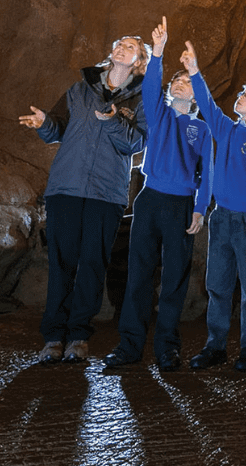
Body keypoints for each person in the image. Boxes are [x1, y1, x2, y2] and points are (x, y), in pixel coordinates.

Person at [20, 35, 149, 364]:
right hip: (66, 187)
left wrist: (112, 121)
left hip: (106, 194)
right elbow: (57, 129)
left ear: (139, 62)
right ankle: (53, 337)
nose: (121, 46)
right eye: (119, 42)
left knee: (92, 264)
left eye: (130, 46)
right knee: (61, 264)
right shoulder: (79, 91)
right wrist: (43, 123)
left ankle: (78, 335)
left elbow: (135, 143)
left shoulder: (145, 98)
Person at [103, 17, 212, 373]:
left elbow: (206, 172)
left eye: (186, 81)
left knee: (175, 277)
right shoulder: (160, 115)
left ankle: (167, 347)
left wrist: (199, 209)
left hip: (181, 204)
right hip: (149, 200)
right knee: (139, 273)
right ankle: (130, 345)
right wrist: (160, 52)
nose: (178, 84)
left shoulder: (200, 128)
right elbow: (151, 87)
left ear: (196, 93)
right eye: (176, 81)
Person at [182, 40, 246, 372]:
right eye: (243, 91)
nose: (241, 96)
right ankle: (215, 345)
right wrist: (195, 72)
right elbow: (209, 105)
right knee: (218, 284)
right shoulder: (225, 128)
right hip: (221, 218)